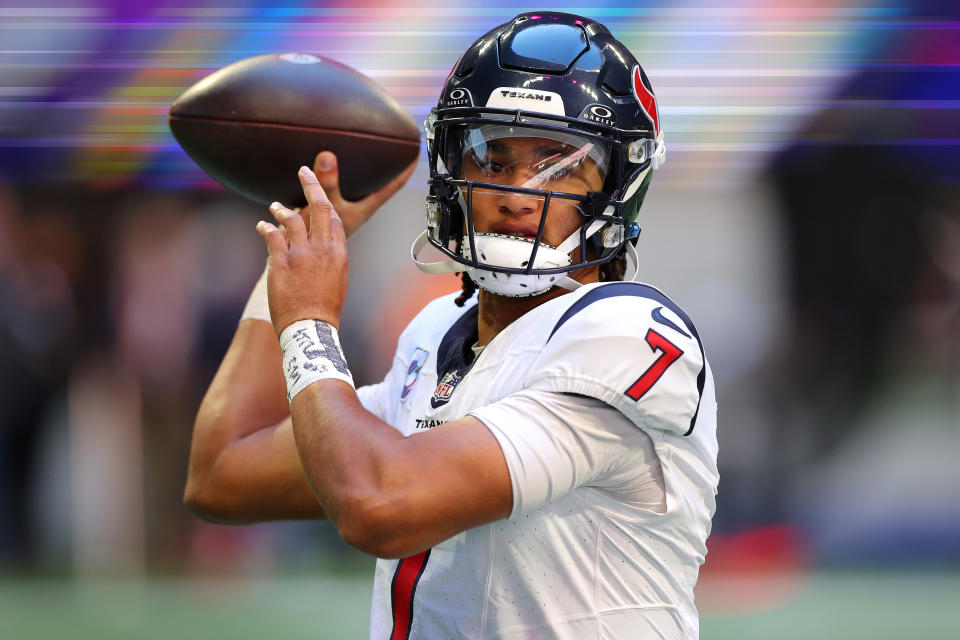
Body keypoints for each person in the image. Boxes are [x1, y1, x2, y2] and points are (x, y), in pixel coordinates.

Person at [185, 11, 718, 639]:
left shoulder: (628, 335)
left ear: (619, 185)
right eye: (492, 157)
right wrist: (296, 257)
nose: (518, 192)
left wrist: (307, 322)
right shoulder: (440, 331)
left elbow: (378, 505)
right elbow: (223, 471)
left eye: (560, 164)